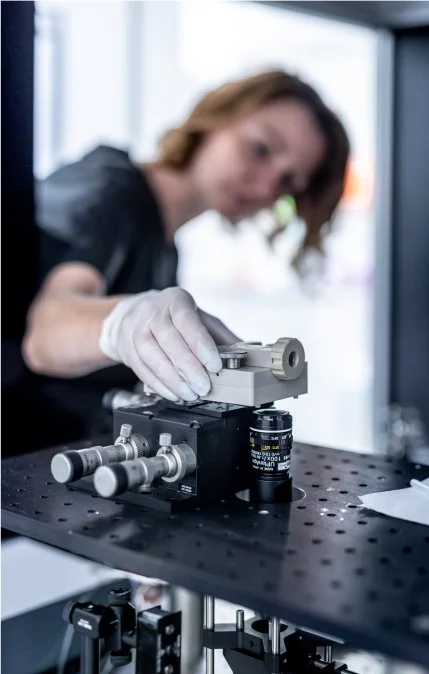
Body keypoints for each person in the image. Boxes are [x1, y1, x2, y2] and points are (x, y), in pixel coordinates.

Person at [22, 69, 350, 442]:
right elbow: (46, 332)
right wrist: (123, 323)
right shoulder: (109, 192)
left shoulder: (165, 242)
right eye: (260, 148)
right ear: (215, 118)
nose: (265, 187)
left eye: (288, 182)